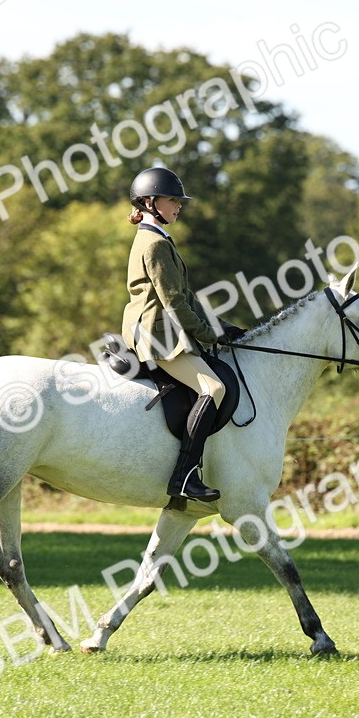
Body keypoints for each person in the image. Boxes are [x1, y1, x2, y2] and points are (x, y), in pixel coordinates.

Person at [120, 167, 245, 503]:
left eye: (179, 201)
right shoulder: (154, 244)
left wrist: (220, 326)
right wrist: (208, 334)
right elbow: (173, 302)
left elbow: (186, 296)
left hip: (164, 328)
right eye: (172, 200)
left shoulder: (159, 238)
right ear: (150, 202)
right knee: (213, 388)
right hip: (157, 333)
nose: (179, 205)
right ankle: (185, 476)